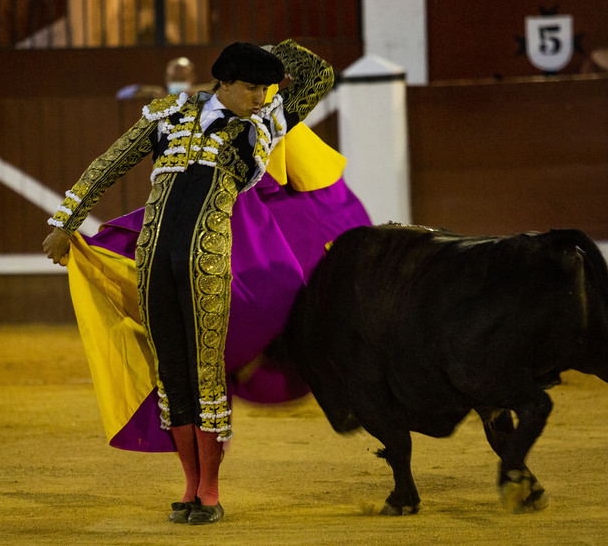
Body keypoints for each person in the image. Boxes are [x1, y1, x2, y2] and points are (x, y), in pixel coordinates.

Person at [43, 40, 370, 525]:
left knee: (206, 375)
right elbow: (110, 163)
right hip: (153, 258)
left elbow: (318, 73)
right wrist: (66, 221)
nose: (261, 96)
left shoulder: (268, 120)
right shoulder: (168, 114)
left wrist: (265, 53)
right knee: (171, 376)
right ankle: (189, 485)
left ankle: (209, 491)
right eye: (251, 87)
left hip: (208, 262)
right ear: (224, 83)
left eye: (266, 87)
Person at [115, 57, 213, 100]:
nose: (178, 82)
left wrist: (194, 92)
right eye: (174, 79)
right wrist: (152, 92)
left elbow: (221, 90)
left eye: (182, 79)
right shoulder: (159, 95)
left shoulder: (202, 96)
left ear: (192, 78)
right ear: (167, 79)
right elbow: (122, 94)